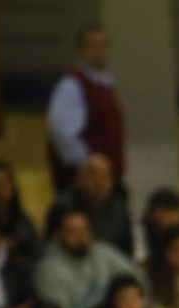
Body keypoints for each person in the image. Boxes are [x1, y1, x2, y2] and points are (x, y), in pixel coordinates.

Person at [34, 206, 140, 308]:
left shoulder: (104, 253)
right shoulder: (47, 270)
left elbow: (139, 281)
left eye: (85, 229)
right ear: (57, 234)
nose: (81, 237)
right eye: (73, 231)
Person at [46, 23, 124, 188]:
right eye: (93, 46)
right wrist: (88, 166)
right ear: (81, 50)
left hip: (107, 180)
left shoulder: (105, 85)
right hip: (83, 183)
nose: (99, 52)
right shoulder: (72, 84)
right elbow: (62, 132)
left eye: (103, 46)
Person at [47, 154, 132, 256]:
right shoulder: (63, 208)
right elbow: (49, 248)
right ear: (78, 179)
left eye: (105, 176)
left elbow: (127, 253)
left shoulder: (120, 210)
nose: (99, 183)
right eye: (92, 175)